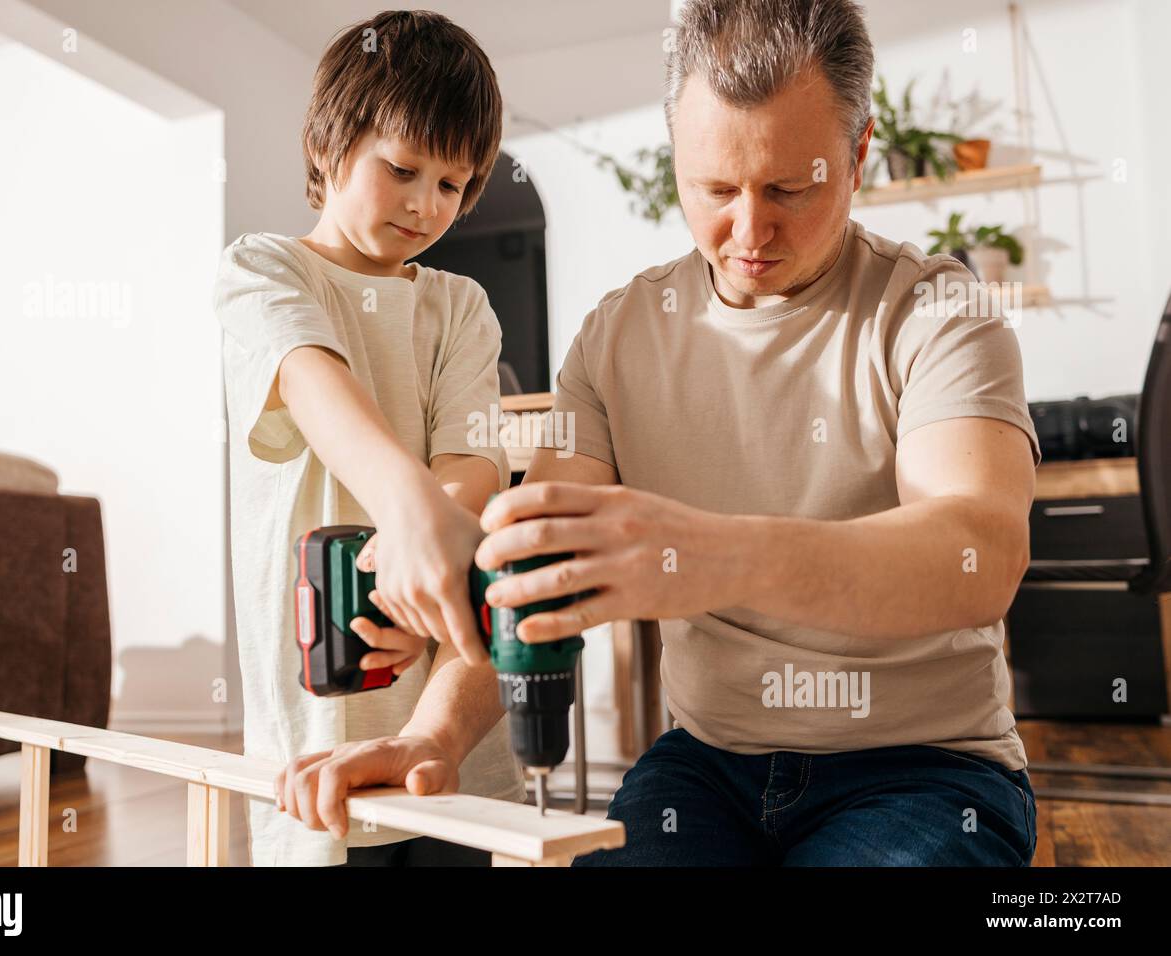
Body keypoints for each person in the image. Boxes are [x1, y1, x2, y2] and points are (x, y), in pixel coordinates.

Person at [472, 0, 1041, 865]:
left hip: (925, 772)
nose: (748, 230)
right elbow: (543, 565)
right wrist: (436, 733)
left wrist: (716, 554)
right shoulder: (617, 336)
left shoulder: (938, 311)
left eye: (788, 187)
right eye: (714, 188)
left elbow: (979, 556)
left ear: (858, 154)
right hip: (707, 764)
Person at [211, 9, 524, 867]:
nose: (429, 205)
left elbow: (470, 469)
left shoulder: (460, 307)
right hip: (317, 725)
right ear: (327, 142)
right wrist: (416, 522)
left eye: (455, 185)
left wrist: (425, 591)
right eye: (403, 169)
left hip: (444, 725)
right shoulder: (262, 271)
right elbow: (318, 389)